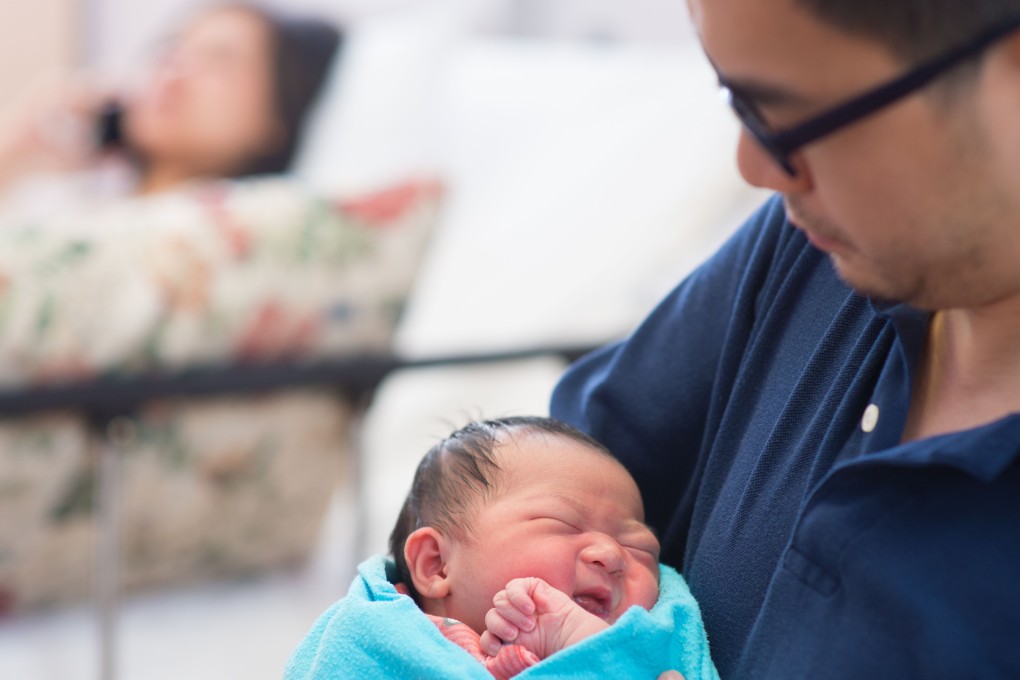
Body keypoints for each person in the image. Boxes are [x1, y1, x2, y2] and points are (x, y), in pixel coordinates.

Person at [550, 1, 1020, 678]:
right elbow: (499, 517)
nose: (756, 167)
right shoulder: (827, 250)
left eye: (793, 115)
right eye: (740, 104)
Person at [284, 417, 719, 680]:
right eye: (563, 525)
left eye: (639, 547)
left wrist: (582, 642)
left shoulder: (660, 643)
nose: (611, 554)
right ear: (437, 565)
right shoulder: (371, 639)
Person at [0, 2, 341, 221]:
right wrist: (16, 144)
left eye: (219, 59)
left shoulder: (244, 235)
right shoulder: (59, 199)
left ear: (275, 121)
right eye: (173, 47)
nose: (174, 69)